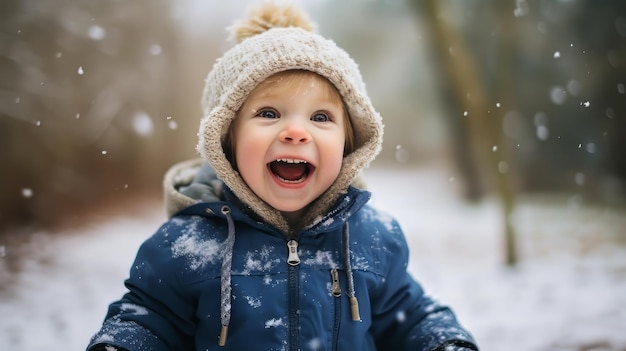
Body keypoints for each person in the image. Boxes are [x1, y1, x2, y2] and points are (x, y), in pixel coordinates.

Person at [87, 1, 479, 350]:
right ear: (227, 140)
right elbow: (149, 318)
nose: (296, 131)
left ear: (349, 142)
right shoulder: (186, 244)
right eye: (269, 114)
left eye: (321, 117)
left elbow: (407, 314)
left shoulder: (372, 238)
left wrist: (442, 340)